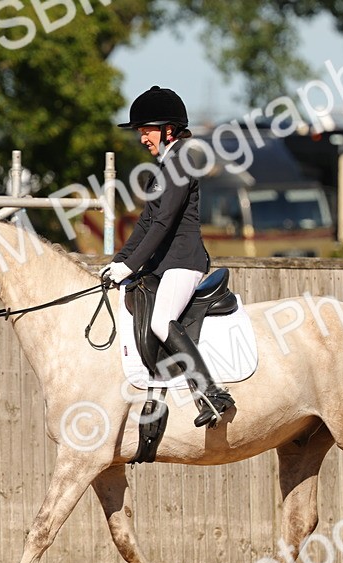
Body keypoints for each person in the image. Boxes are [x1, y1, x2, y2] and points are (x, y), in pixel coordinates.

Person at [102, 86, 235, 428]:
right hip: (166, 263)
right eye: (140, 131)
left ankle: (212, 393)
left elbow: (163, 223)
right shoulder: (164, 166)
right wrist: (118, 261)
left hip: (183, 261)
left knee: (161, 321)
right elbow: (146, 221)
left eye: (146, 130)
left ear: (168, 129)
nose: (142, 137)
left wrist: (130, 266)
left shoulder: (180, 162)